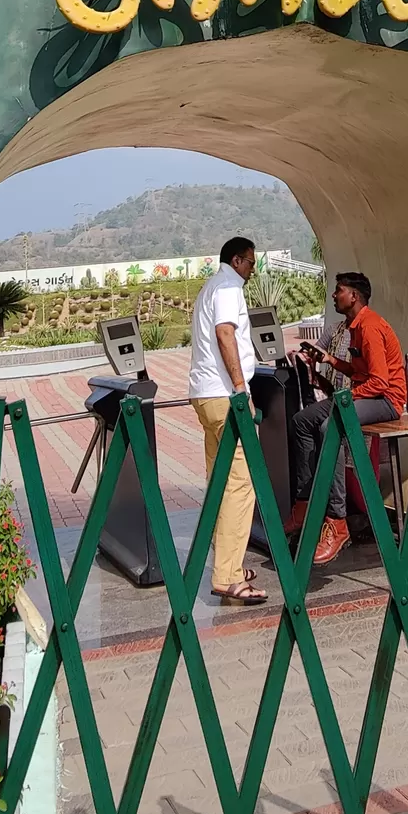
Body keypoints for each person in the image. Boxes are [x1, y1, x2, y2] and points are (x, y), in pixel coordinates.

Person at [289, 271, 407, 568]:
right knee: (302, 421)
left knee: (332, 426)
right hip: (364, 395)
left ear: (353, 296)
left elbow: (380, 382)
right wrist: (330, 361)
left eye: (338, 290)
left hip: (385, 401)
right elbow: (360, 372)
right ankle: (304, 503)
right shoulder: (353, 326)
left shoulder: (369, 327)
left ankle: (338, 520)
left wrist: (346, 397)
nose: (334, 295)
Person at [188, 235, 267, 605]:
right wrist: (240, 388)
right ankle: (228, 576)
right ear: (237, 260)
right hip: (224, 395)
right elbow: (225, 332)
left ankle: (227, 560)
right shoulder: (229, 287)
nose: (254, 270)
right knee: (241, 482)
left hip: (205, 395)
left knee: (219, 480)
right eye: (251, 262)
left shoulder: (210, 286)